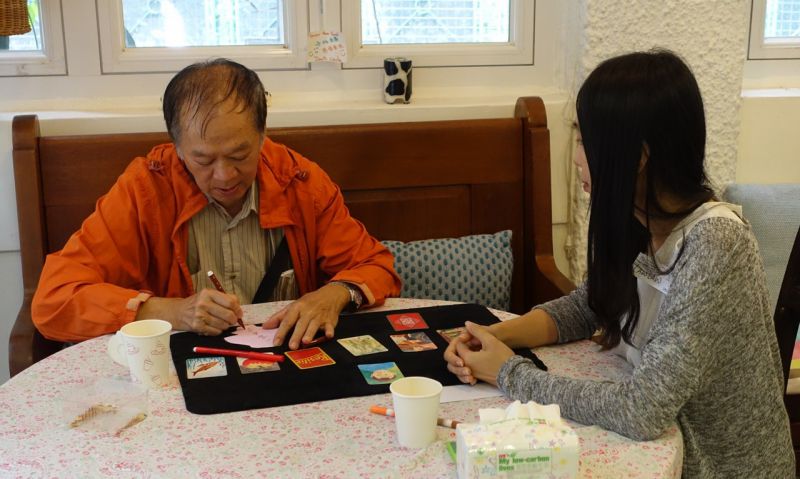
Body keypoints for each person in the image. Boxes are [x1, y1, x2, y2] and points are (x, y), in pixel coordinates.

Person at [444, 49, 794, 477]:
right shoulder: (641, 221)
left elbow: (641, 411)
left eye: (584, 142)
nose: (575, 159)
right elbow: (589, 305)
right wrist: (491, 337)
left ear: (639, 157)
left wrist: (507, 372)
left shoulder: (716, 245)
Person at [32, 58, 401, 350]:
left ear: (262, 135)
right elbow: (54, 300)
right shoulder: (146, 190)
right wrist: (171, 311)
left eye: (240, 154)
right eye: (204, 161)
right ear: (176, 148)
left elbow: (375, 266)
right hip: (181, 376)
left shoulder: (299, 181)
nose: (225, 176)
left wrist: (333, 294)